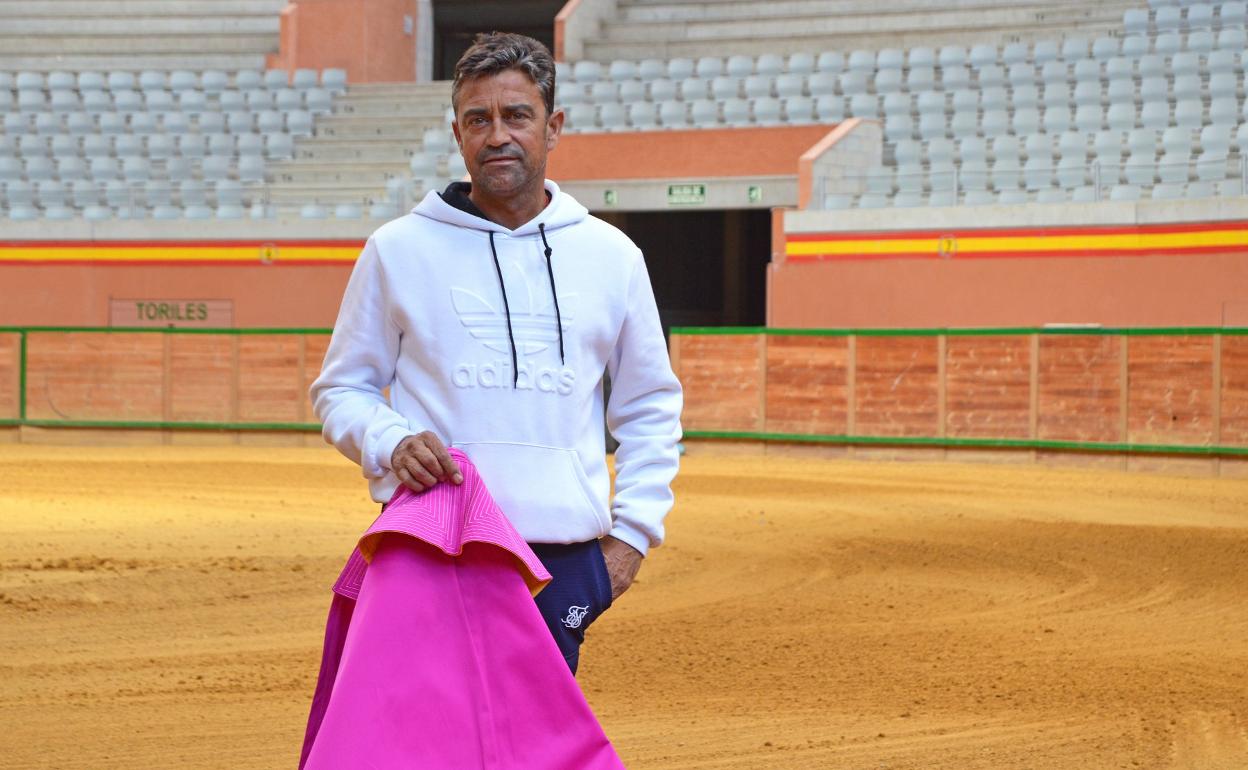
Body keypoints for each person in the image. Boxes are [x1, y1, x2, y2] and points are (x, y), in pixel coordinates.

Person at [310, 31, 683, 674]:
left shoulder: (612, 257)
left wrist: (631, 539)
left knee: (534, 746)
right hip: (430, 547)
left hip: (561, 560)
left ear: (553, 126)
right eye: (478, 119)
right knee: (424, 738)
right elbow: (341, 390)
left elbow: (649, 407)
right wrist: (390, 440)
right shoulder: (397, 250)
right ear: (457, 133)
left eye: (517, 115)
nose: (497, 135)